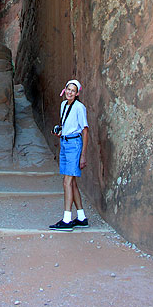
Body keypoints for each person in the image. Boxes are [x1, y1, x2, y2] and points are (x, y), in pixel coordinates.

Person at [49, 79, 89, 231]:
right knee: (71, 182)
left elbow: (85, 131)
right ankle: (81, 217)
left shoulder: (80, 107)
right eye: (68, 89)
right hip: (65, 143)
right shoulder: (63, 105)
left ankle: (66, 220)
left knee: (66, 182)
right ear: (64, 89)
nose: (70, 92)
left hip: (74, 145)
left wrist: (83, 155)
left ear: (77, 93)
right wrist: (60, 131)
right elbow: (67, 125)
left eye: (73, 90)